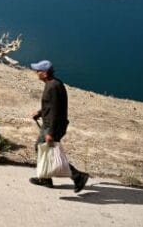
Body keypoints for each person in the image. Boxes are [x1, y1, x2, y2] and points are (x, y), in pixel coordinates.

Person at [29, 59, 89, 192]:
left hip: (53, 126)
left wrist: (51, 133)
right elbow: (51, 106)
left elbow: (55, 111)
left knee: (49, 151)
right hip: (51, 124)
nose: (36, 73)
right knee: (41, 148)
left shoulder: (52, 87)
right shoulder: (54, 83)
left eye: (38, 71)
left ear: (45, 73)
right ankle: (45, 179)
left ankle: (78, 177)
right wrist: (39, 113)